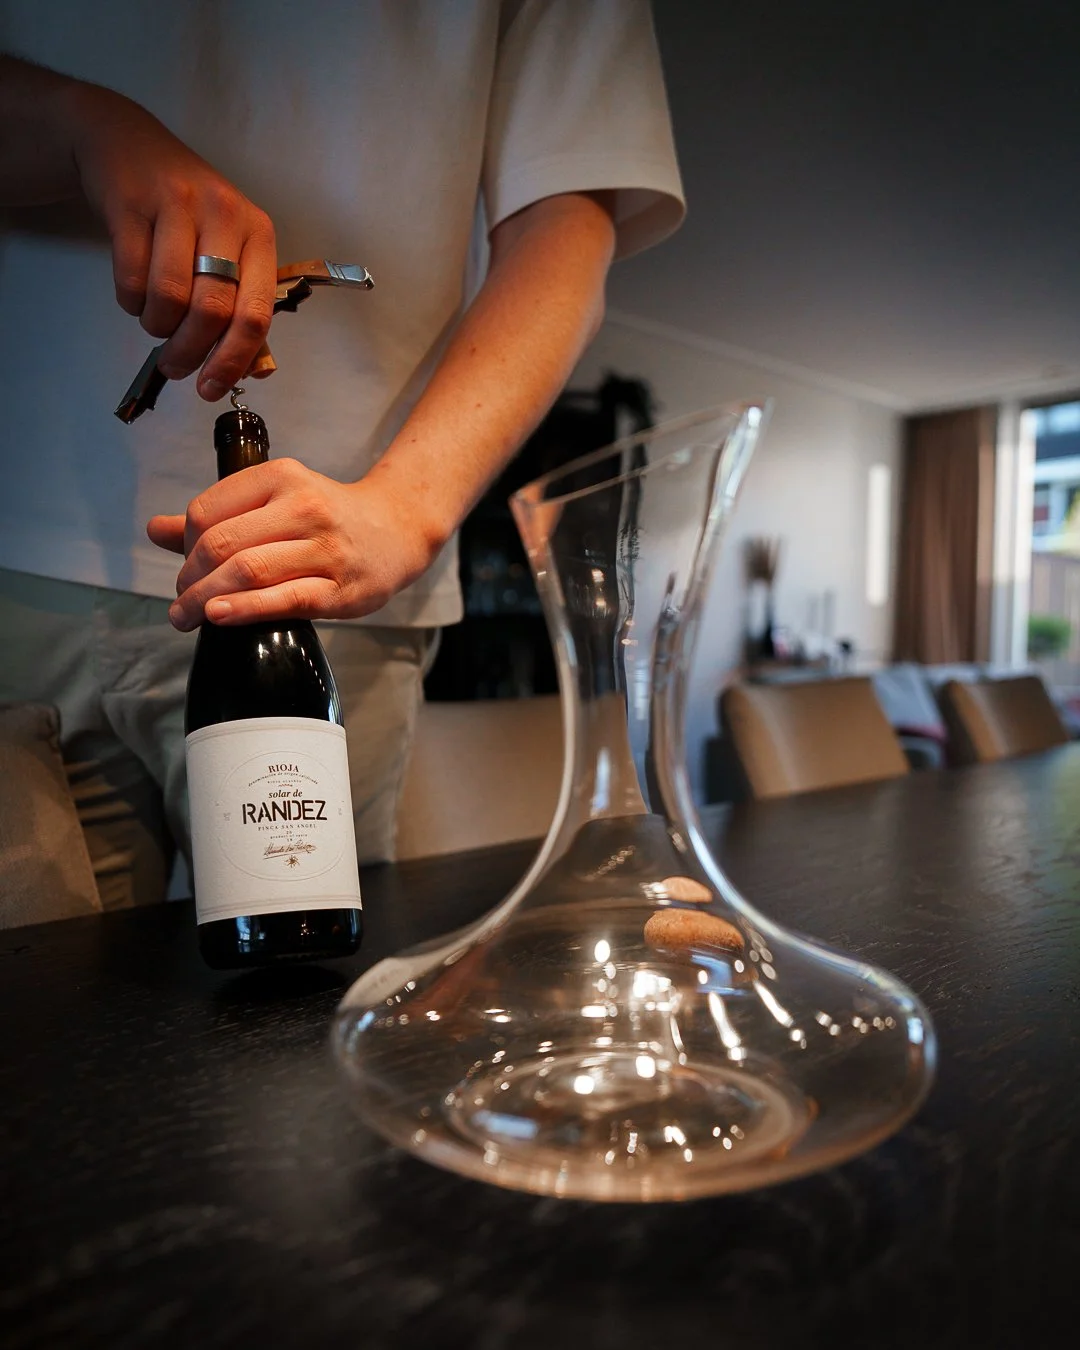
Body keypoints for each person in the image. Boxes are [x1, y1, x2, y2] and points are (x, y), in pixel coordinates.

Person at [0, 0, 684, 910]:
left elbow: (567, 218)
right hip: (20, 566)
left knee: (295, 1002)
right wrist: (79, 125)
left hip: (332, 582)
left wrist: (405, 505)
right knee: (42, 1027)